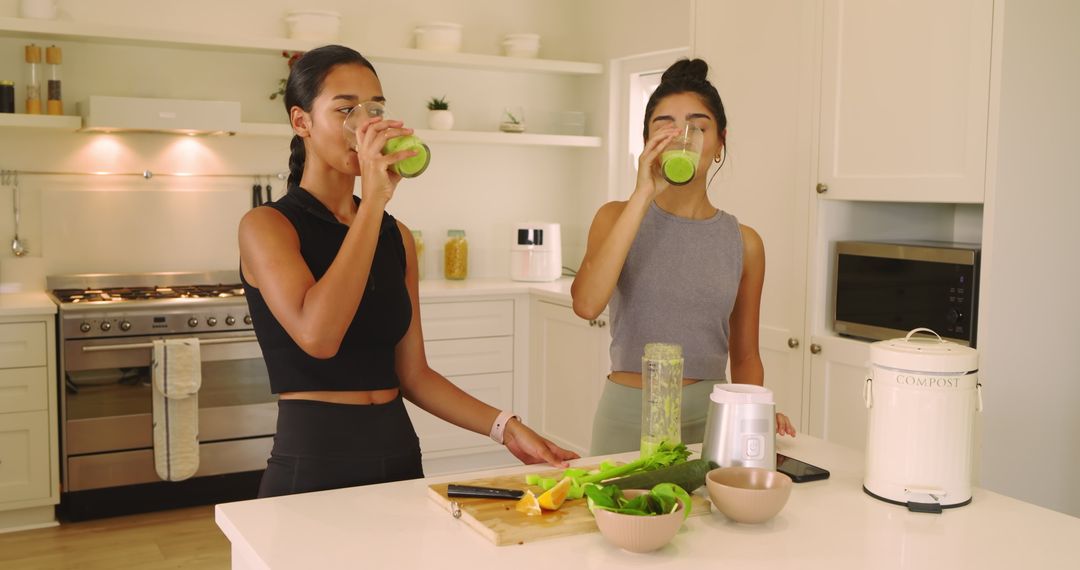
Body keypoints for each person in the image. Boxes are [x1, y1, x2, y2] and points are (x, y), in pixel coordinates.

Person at [239, 45, 578, 498]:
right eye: (345, 109)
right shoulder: (267, 226)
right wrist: (374, 201)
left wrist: (508, 428)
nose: (365, 124)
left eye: (374, 108)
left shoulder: (395, 236)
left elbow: (415, 375)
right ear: (302, 122)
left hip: (398, 456)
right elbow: (318, 336)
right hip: (314, 462)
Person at [571, 58, 797, 456]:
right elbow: (586, 304)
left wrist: (757, 415)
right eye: (665, 125)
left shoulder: (745, 243)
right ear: (647, 141)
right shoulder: (615, 216)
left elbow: (745, 356)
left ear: (720, 141)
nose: (682, 136)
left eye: (698, 126)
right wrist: (644, 194)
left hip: (711, 419)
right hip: (627, 416)